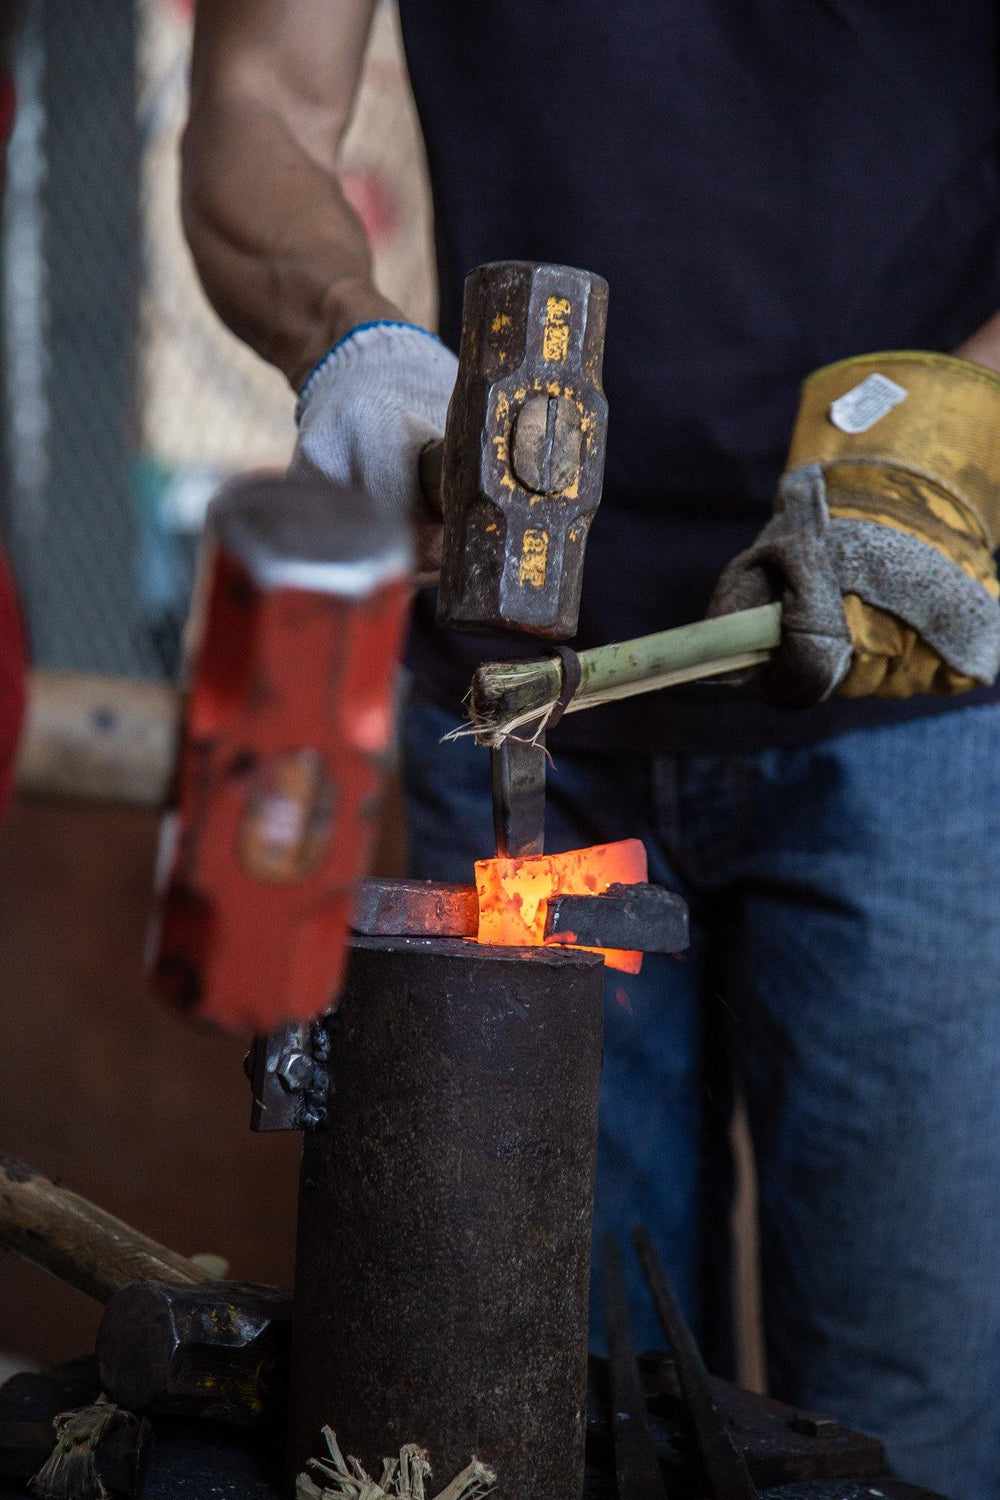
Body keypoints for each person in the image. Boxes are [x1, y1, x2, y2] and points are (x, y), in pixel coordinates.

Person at [181, 5, 1000, 1494]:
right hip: (517, 698)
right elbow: (257, 105)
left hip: (909, 703)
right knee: (530, 1414)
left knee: (901, 1439)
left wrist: (955, 451)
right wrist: (355, 348)